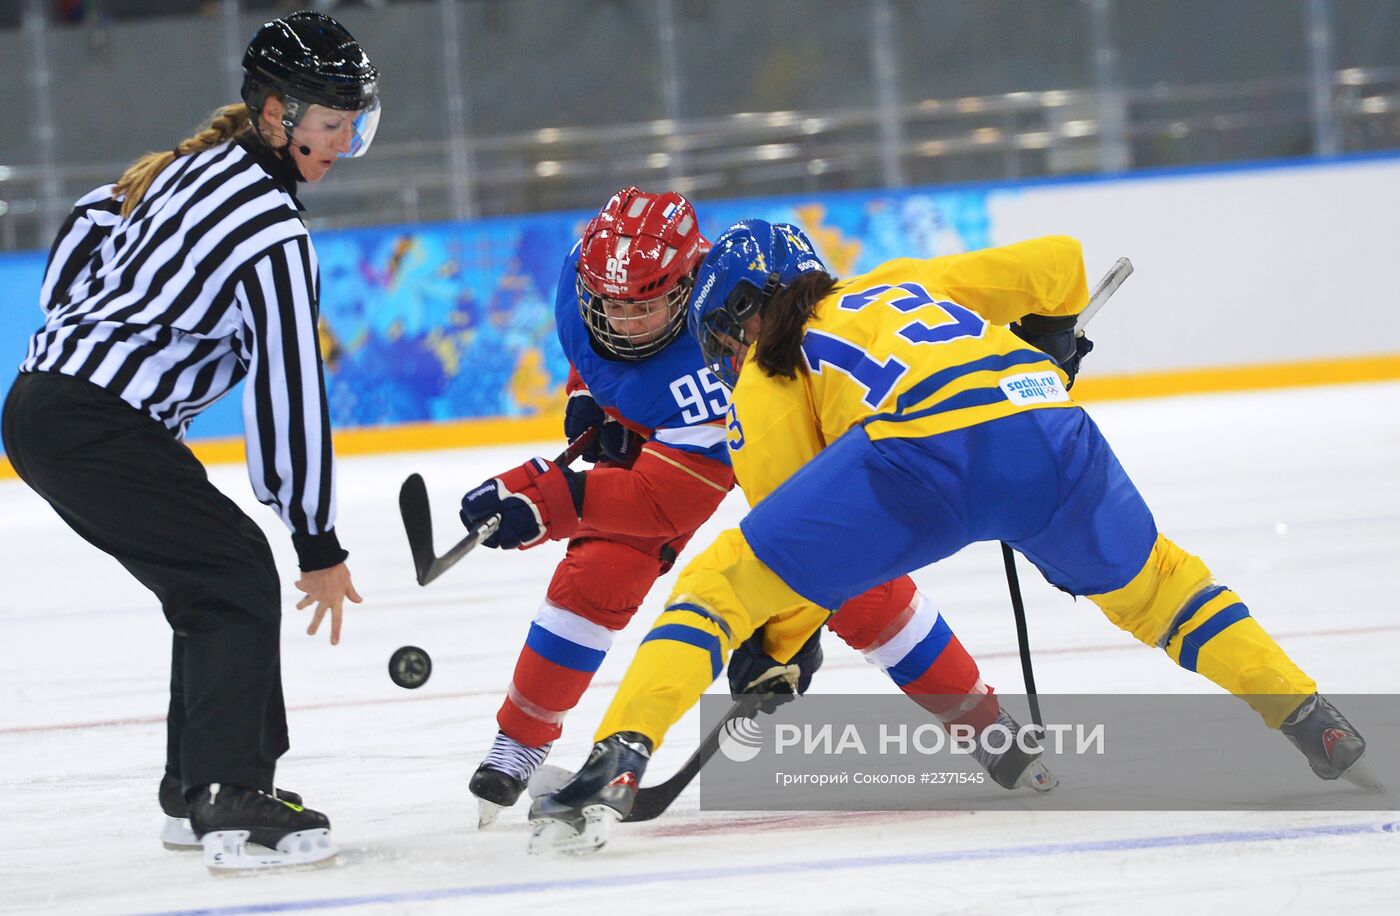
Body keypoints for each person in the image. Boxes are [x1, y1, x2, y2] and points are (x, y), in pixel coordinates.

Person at [526, 220, 1371, 853]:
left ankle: (620, 753)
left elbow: (788, 555)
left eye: (725, 330)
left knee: (720, 584)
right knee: (1163, 589)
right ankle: (1309, 716)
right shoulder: (905, 279)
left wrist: (776, 648)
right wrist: (1047, 341)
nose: (728, 350)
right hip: (1049, 427)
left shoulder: (771, 372)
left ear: (748, 310)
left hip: (920, 459)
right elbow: (1061, 264)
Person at [459, 193, 1054, 833]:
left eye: (647, 306)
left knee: (860, 588)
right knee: (598, 572)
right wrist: (588, 399)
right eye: (613, 305)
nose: (625, 323)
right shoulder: (587, 276)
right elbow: (600, 354)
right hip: (680, 430)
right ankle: (518, 742)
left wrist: (552, 502)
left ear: (691, 289)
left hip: (772, 436)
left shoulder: (722, 358)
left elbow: (663, 503)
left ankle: (983, 725)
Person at [1, 11, 379, 873]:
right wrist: (315, 538)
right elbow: (290, 389)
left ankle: (194, 790)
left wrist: (81, 334)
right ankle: (228, 796)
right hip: (98, 419)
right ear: (278, 117)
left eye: (354, 120)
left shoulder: (191, 170)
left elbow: (93, 223)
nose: (345, 139)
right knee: (235, 572)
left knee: (208, 579)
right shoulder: (273, 230)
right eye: (330, 122)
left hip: (44, 400)